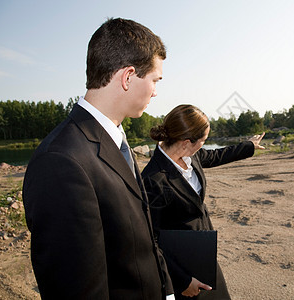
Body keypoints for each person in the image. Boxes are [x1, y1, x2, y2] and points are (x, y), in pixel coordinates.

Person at [23, 18, 175, 299]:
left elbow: (142, 239)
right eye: (155, 80)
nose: (156, 90)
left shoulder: (115, 141)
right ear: (128, 77)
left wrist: (166, 291)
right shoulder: (61, 161)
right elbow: (77, 288)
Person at [141, 105, 265, 299]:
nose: (204, 145)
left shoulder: (191, 156)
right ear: (186, 142)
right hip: (181, 267)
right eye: (204, 140)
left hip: (204, 253)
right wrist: (182, 280)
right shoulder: (153, 179)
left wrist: (248, 146)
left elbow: (217, 156)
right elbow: (151, 240)